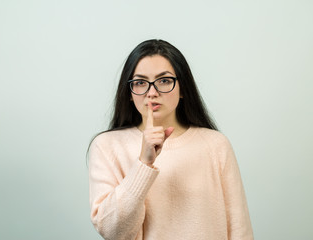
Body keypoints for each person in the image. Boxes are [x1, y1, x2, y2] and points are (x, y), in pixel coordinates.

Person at [88, 39, 253, 240]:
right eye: (140, 82)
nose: (152, 93)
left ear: (183, 88)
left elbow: (239, 229)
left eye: (164, 81)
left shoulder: (216, 145)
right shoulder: (107, 146)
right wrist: (143, 163)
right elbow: (113, 231)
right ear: (129, 93)